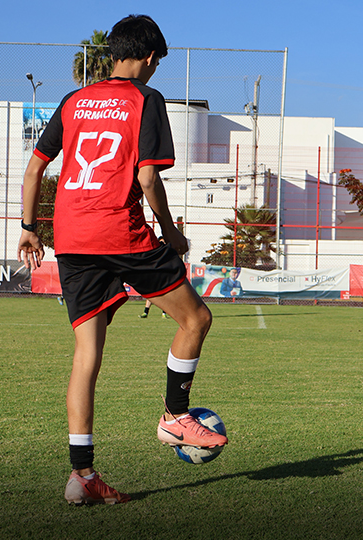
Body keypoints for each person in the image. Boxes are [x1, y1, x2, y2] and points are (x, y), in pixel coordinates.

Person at [17, 14, 227, 506]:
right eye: (157, 63)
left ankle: (82, 476)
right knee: (196, 318)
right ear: (150, 57)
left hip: (71, 237)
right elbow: (148, 178)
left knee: (86, 355)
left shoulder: (73, 100)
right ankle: (176, 415)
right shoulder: (146, 99)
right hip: (119, 230)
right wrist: (171, 232)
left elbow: (33, 170)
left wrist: (29, 228)